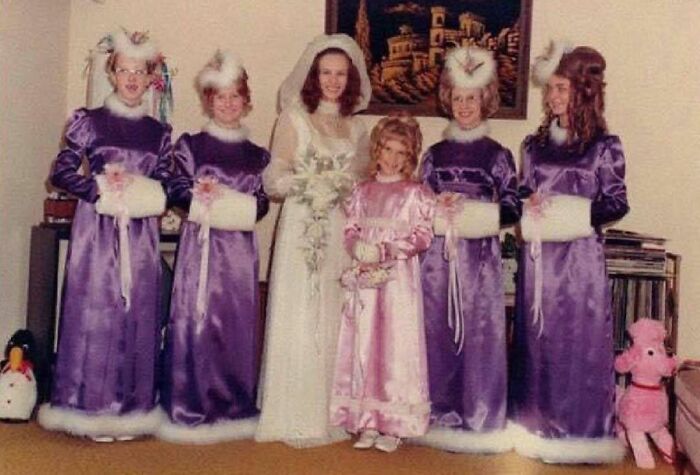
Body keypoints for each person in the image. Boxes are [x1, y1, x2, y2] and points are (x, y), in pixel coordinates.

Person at [38, 29, 172, 441]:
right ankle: (92, 408)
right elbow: (61, 173)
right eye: (124, 71)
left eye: (140, 72)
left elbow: (167, 183)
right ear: (111, 74)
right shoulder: (89, 121)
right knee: (97, 313)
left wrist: (144, 192)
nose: (132, 79)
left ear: (150, 79)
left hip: (140, 234)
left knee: (137, 314)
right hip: (96, 231)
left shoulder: (159, 132)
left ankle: (131, 410)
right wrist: (98, 189)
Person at [508, 41, 630, 464]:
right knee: (538, 341)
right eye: (551, 88)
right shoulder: (533, 146)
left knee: (578, 342)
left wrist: (567, 212)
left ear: (583, 92)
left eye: (561, 88)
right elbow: (522, 193)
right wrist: (526, 203)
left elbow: (616, 202)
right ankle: (537, 428)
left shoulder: (604, 146)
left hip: (579, 261)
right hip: (540, 261)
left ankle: (581, 432)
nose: (553, 96)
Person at [255, 34, 371, 448]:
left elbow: (362, 182)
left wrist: (341, 188)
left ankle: (329, 409)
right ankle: (293, 409)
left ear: (350, 79)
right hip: (302, 223)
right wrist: (310, 183)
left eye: (340, 74)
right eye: (326, 73)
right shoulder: (293, 118)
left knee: (334, 308)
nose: (333, 81)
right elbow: (274, 179)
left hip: (338, 225)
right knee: (300, 307)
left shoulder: (357, 126)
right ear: (313, 76)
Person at [157, 51, 269, 444]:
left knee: (234, 326)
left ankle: (232, 405)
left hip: (238, 253)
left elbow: (261, 203)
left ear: (246, 100)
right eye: (220, 96)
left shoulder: (256, 155)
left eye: (235, 95)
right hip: (202, 248)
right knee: (197, 319)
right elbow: (175, 188)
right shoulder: (191, 146)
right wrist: (200, 199)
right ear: (208, 100)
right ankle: (190, 402)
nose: (228, 103)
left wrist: (237, 207)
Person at [417, 46, 520, 453]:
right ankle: (436, 410)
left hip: (479, 260)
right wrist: (435, 207)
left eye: (471, 99)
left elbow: (511, 206)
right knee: (436, 330)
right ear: (449, 100)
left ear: (485, 100)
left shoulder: (498, 155)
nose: (463, 106)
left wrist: (476, 213)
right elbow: (418, 203)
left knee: (479, 333)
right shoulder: (434, 155)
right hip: (437, 260)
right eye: (458, 98)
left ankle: (479, 413)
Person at [329, 114, 435, 453]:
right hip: (366, 278)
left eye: (401, 153)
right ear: (377, 150)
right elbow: (350, 228)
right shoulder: (362, 191)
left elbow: (423, 236)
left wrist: (386, 250)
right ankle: (367, 419)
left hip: (398, 281)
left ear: (410, 156)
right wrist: (356, 246)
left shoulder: (416, 193)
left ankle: (395, 423)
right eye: (388, 150)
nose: (392, 158)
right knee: (365, 343)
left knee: (394, 345)